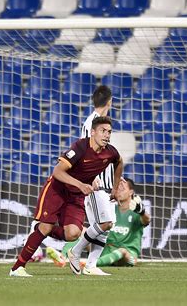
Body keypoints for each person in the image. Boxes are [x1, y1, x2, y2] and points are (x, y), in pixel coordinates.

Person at [9, 116, 123, 277]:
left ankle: (39, 229)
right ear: (92, 132)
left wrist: (115, 188)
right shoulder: (80, 148)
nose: (106, 135)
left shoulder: (110, 152)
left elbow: (119, 162)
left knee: (73, 234)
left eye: (109, 132)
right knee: (47, 226)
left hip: (75, 196)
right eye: (103, 131)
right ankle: (17, 268)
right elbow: (57, 172)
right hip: (57, 189)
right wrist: (81, 185)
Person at [65, 85, 117, 276]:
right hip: (96, 182)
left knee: (105, 225)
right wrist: (91, 177)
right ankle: (75, 251)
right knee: (105, 223)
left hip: (107, 182)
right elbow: (84, 152)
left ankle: (91, 265)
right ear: (109, 101)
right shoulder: (92, 124)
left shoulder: (98, 122)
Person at [52, 178, 151, 267]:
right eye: (117, 188)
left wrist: (142, 211)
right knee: (81, 231)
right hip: (106, 248)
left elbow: (147, 220)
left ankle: (90, 264)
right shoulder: (111, 208)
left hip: (127, 254)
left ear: (131, 192)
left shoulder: (136, 212)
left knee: (122, 252)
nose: (119, 191)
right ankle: (62, 258)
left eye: (122, 189)